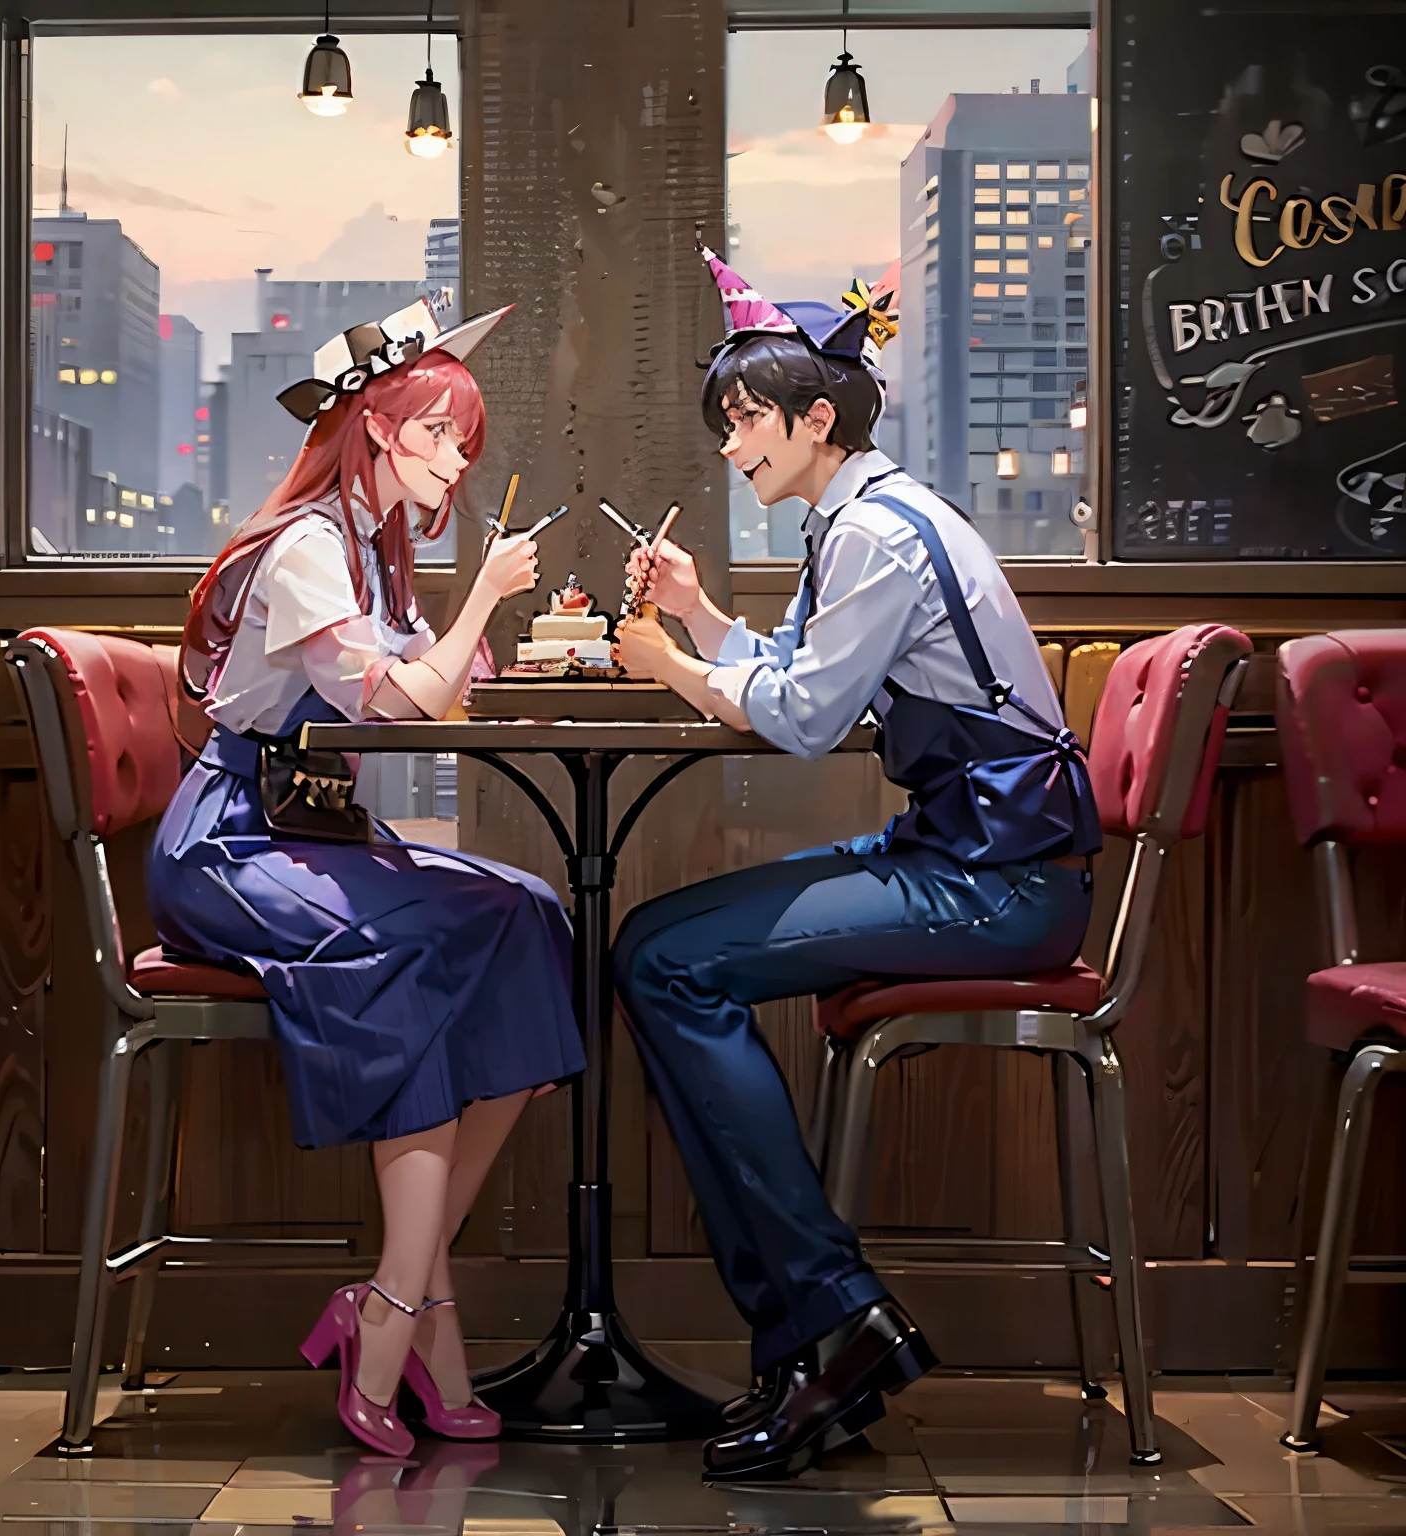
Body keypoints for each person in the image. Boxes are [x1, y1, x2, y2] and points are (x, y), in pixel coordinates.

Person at [612, 251, 1101, 1481]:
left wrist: (667, 662)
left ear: (815, 419)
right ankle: (811, 1337)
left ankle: (831, 1324)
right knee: (654, 952)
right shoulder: (870, 519)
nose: (732, 451)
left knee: (664, 962)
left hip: (999, 888)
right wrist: (700, 615)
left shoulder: (877, 533)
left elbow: (800, 720)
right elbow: (793, 670)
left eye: (744, 425)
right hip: (972, 858)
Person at [149, 299, 585, 1457]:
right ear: (383, 430)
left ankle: (401, 1294)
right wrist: (483, 599)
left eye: (463, 441)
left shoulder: (367, 550)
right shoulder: (306, 550)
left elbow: (436, 687)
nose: (457, 459)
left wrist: (460, 630)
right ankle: (407, 1310)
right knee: (417, 953)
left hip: (318, 831)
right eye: (441, 435)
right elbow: (394, 705)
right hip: (234, 840)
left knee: (529, 917)